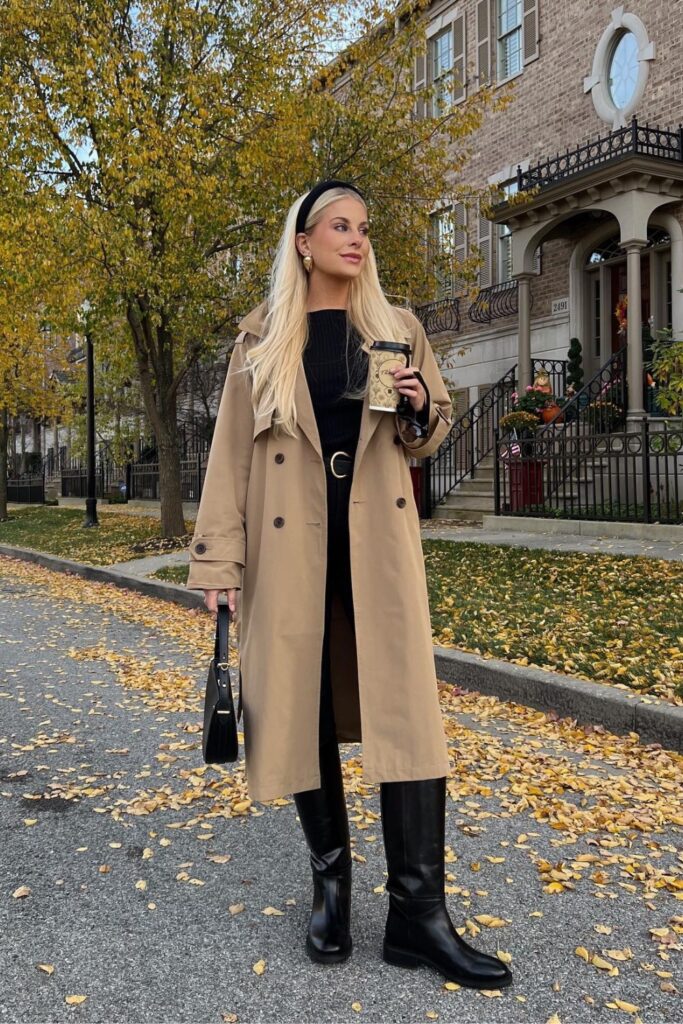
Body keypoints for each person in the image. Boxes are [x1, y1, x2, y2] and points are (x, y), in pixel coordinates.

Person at [186, 179, 512, 991]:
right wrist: (216, 564)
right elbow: (229, 460)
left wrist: (416, 407)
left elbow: (427, 434)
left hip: (375, 550)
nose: (357, 239)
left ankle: (418, 915)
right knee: (304, 711)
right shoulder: (259, 343)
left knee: (408, 717)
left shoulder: (395, 328)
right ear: (303, 240)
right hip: (290, 555)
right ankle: (330, 885)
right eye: (341, 226)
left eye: (364, 228)